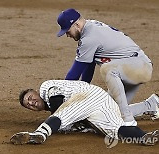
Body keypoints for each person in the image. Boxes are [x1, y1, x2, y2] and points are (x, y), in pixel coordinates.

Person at [56, 8, 158, 125]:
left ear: (77, 25)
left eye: (67, 31)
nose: (67, 35)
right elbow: (88, 66)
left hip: (139, 66)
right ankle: (151, 105)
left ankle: (128, 121)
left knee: (108, 69)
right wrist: (85, 91)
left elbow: (74, 74)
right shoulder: (90, 28)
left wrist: (60, 95)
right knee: (106, 112)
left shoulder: (89, 38)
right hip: (127, 69)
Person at [10, 80, 159, 147]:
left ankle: (40, 134)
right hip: (99, 104)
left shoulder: (46, 87)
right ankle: (145, 136)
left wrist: (60, 125)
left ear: (36, 92)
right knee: (115, 130)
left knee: (62, 115)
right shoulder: (50, 105)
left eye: (30, 97)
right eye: (27, 105)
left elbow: (58, 104)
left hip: (87, 95)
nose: (31, 102)